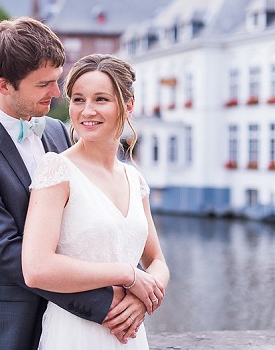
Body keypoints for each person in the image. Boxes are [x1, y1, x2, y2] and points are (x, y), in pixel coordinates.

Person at [0, 18, 148, 350]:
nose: (57, 93)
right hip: (13, 323)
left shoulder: (55, 130)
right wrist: (106, 299)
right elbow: (7, 251)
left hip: (81, 321)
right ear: (4, 85)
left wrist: (136, 288)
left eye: (57, 80)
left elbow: (103, 215)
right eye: (43, 85)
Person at [21, 53, 169, 349]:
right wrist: (128, 276)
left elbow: (157, 262)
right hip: (76, 333)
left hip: (129, 334)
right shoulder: (57, 169)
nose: (87, 111)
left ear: (127, 106)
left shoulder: (134, 178)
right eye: (78, 99)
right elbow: (36, 268)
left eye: (101, 99)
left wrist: (142, 299)